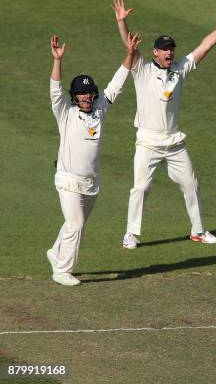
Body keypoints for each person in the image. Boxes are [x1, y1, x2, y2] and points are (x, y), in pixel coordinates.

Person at [111, 0, 216, 249]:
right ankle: (131, 234)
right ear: (155, 52)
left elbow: (206, 45)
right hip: (148, 141)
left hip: (174, 142)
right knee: (141, 188)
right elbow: (130, 48)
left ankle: (198, 231)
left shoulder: (180, 69)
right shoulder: (143, 70)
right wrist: (122, 21)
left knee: (191, 184)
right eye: (164, 49)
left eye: (172, 48)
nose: (170, 52)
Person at [47, 33, 141, 286]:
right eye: (82, 94)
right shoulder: (65, 113)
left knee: (73, 225)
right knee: (76, 225)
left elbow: (116, 84)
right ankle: (62, 271)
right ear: (75, 96)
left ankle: (55, 253)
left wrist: (131, 55)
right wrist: (58, 60)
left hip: (91, 184)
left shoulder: (100, 108)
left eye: (89, 93)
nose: (86, 97)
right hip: (67, 180)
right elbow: (55, 91)